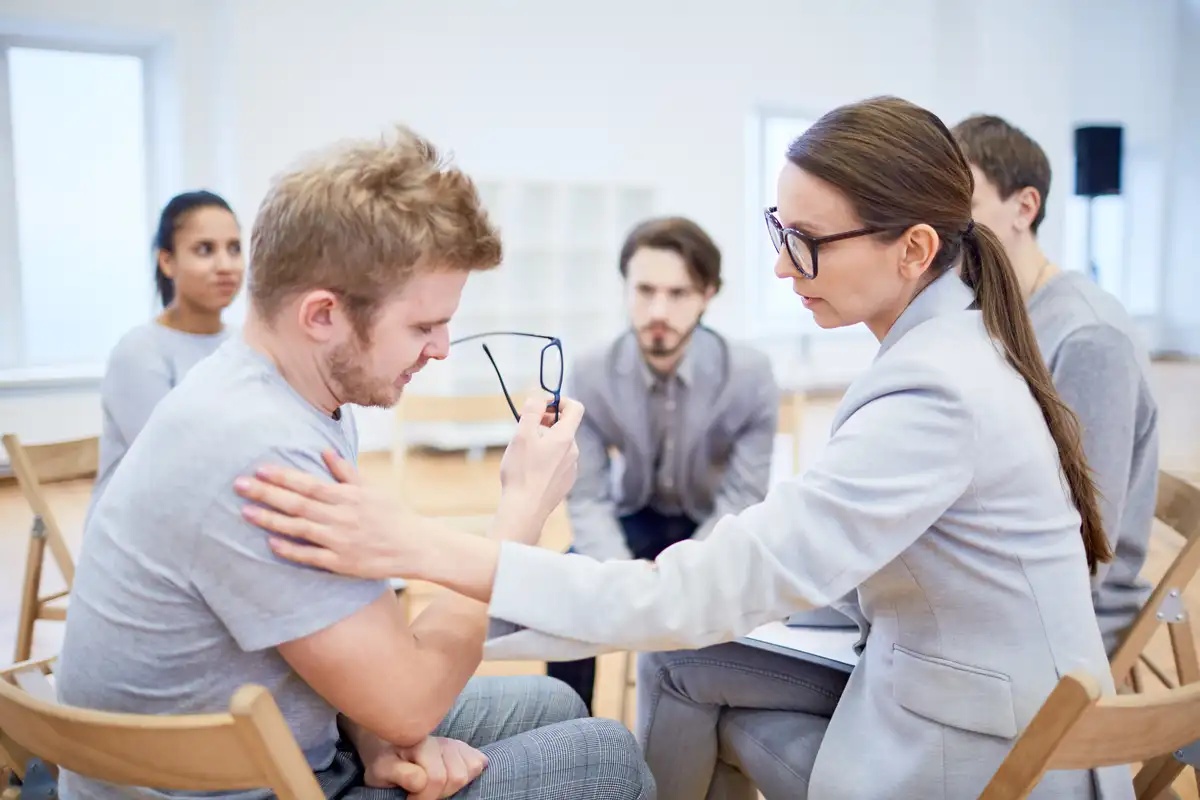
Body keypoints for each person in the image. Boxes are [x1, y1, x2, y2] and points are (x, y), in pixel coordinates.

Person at [235, 97, 1139, 800]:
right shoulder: (943, 351)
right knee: (675, 657)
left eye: (806, 243)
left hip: (981, 740)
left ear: (914, 249)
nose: (782, 267)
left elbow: (709, 579)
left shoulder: (935, 389)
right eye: (776, 233)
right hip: (922, 668)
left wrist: (425, 547)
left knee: (652, 671)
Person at [55, 127, 654, 800]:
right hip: (244, 781)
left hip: (286, 735)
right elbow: (411, 701)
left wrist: (374, 735)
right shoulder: (262, 449)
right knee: (606, 755)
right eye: (423, 327)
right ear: (322, 315)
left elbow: (354, 637)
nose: (441, 350)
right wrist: (521, 509)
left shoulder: (290, 393)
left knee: (553, 704)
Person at [547, 216, 779, 712]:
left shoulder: (750, 376)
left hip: (714, 523)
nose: (658, 310)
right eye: (645, 290)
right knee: (565, 589)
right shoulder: (588, 373)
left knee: (746, 592)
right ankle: (566, 734)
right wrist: (619, 576)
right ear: (625, 289)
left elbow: (742, 497)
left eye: (678, 293)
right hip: (634, 517)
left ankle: (719, 722)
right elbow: (587, 496)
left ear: (708, 294)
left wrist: (682, 578)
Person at [952, 113, 1160, 656]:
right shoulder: (996, 313)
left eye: (963, 209)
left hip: (1061, 625)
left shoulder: (1089, 337)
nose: (943, 229)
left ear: (1025, 207)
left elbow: (1086, 546)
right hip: (1001, 587)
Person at [91, 190, 245, 505]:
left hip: (217, 513)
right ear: (167, 261)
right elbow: (172, 468)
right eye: (205, 250)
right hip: (141, 532)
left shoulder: (245, 346)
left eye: (234, 248)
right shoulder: (138, 352)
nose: (225, 265)